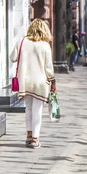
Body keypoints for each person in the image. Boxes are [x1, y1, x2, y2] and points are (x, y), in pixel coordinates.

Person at [10, 19, 55, 148]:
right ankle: (35, 138)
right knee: (37, 110)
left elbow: (12, 58)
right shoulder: (45, 45)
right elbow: (48, 68)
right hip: (40, 82)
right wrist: (52, 80)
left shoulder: (22, 42)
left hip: (25, 81)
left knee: (28, 108)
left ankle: (29, 136)